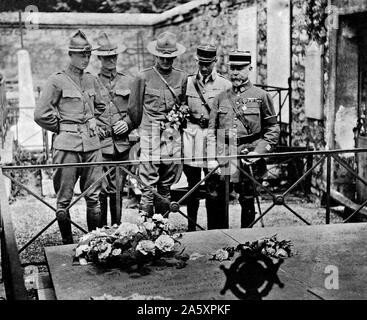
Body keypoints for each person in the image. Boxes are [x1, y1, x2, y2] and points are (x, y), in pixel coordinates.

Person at [34, 30, 106, 244]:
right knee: (64, 200)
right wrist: (64, 127)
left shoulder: (92, 79)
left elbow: (101, 105)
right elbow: (40, 114)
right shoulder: (56, 81)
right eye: (81, 55)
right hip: (67, 147)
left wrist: (93, 120)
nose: (86, 59)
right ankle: (67, 245)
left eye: (88, 55)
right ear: (70, 55)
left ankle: (94, 244)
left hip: (92, 145)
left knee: (94, 197)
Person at [207, 50, 280, 228]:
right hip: (224, 154)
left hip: (249, 153)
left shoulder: (261, 96)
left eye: (240, 68)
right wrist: (211, 158)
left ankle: (247, 240)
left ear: (250, 68)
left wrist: (259, 151)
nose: (235, 73)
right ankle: (219, 239)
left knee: (247, 198)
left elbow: (273, 128)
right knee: (218, 199)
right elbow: (211, 131)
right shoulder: (220, 98)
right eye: (232, 68)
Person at [127, 31, 187, 217]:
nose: (166, 61)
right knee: (147, 186)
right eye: (162, 57)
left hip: (171, 137)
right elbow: (134, 110)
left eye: (170, 57)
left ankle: (163, 229)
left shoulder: (182, 78)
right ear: (155, 55)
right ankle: (147, 233)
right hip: (149, 137)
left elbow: (182, 105)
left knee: (166, 186)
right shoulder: (143, 77)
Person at [183, 44, 232, 231]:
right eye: (201, 63)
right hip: (192, 139)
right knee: (192, 187)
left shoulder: (225, 85)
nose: (204, 68)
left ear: (215, 62)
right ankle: (191, 228)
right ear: (197, 61)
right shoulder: (187, 83)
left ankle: (214, 231)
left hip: (213, 140)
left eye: (208, 64)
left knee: (214, 188)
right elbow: (181, 109)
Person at [93, 32, 133, 226]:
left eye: (114, 56)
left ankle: (117, 232)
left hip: (122, 145)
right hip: (100, 145)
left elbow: (136, 112)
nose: (111, 60)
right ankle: (100, 235)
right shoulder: (90, 81)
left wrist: (128, 123)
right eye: (106, 57)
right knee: (100, 190)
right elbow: (85, 111)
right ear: (99, 58)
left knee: (118, 190)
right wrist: (94, 124)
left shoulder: (129, 81)